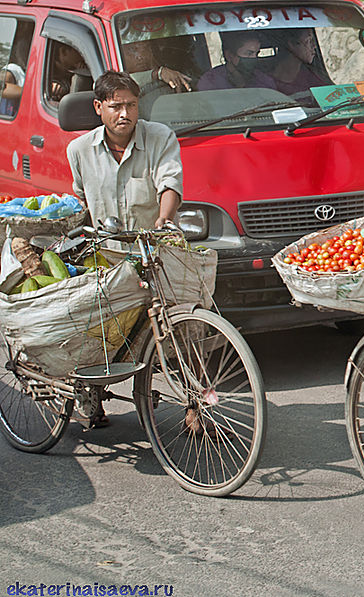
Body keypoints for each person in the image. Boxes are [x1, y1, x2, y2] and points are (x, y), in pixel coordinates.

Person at [66, 70, 183, 427]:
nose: (124, 114)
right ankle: (90, 391)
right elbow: (79, 199)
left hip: (152, 247)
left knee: (182, 320)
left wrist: (163, 221)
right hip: (107, 254)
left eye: (131, 105)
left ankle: (195, 399)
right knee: (100, 329)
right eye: (115, 106)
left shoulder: (159, 136)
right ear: (99, 107)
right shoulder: (80, 150)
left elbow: (170, 182)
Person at [196, 31, 275, 91]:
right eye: (248, 53)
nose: (254, 58)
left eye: (256, 53)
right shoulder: (210, 81)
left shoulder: (263, 80)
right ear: (229, 55)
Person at [270, 28, 332, 99]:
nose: (314, 46)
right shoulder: (264, 82)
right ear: (292, 44)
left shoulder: (311, 75)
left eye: (314, 41)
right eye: (309, 41)